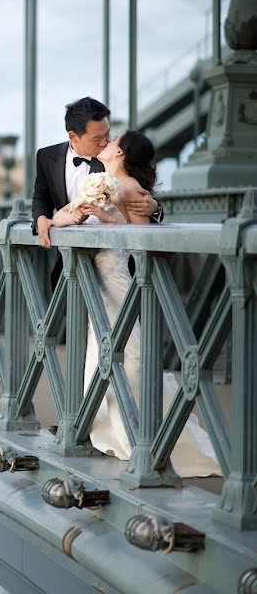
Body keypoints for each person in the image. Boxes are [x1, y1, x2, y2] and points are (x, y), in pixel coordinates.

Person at [50, 130, 220, 477]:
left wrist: (111, 219)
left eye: (113, 142)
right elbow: (62, 216)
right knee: (101, 352)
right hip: (93, 282)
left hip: (116, 281)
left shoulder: (127, 188)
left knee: (129, 355)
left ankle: (142, 434)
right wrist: (62, 219)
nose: (106, 144)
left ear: (122, 154)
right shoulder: (101, 180)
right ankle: (95, 426)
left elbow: (141, 240)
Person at [32, 97, 162, 287]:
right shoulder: (46, 156)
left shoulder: (112, 163)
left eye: (108, 135)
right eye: (97, 138)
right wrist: (41, 218)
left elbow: (138, 218)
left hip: (118, 270)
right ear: (73, 136)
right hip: (71, 267)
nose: (104, 142)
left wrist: (155, 208)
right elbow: (40, 197)